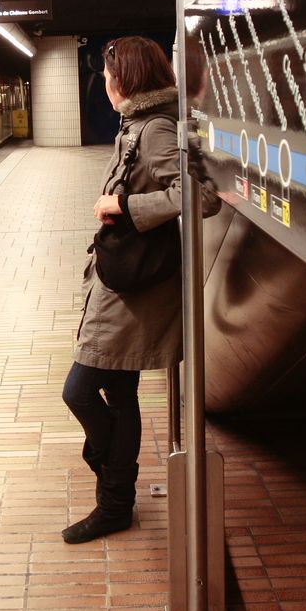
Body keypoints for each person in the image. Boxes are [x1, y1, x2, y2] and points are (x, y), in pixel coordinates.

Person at [63, 36, 220, 544]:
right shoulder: (138, 125)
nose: (104, 85)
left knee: (80, 390)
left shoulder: (154, 129)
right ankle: (116, 505)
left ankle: (109, 471)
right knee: (121, 393)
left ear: (125, 80)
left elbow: (204, 196)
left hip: (132, 291)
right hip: (121, 279)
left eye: (108, 77)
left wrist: (124, 208)